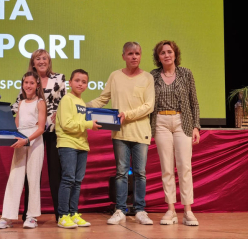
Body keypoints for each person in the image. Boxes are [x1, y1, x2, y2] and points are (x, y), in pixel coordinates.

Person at [87, 42, 155, 225]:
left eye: (137, 53)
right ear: (123, 56)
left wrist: (128, 115)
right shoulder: (115, 76)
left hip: (141, 132)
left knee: (140, 173)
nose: (134, 57)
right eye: (130, 53)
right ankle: (120, 210)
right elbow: (103, 98)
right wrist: (82, 107)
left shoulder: (148, 78)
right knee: (121, 172)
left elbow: (149, 106)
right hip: (120, 133)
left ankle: (140, 210)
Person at [11, 49, 66, 222]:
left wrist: (60, 114)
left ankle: (61, 215)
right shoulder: (30, 80)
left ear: (49, 62)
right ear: (33, 62)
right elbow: (17, 105)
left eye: (45, 58)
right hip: (32, 134)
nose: (42, 61)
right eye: (38, 58)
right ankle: (29, 214)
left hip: (52, 132)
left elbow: (63, 103)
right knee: (31, 174)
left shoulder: (59, 78)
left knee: (55, 173)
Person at [150, 40, 201, 226]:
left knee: (185, 166)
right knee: (167, 167)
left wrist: (196, 126)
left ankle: (188, 210)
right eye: (162, 52)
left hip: (183, 122)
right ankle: (170, 209)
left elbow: (194, 102)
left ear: (175, 54)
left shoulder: (186, 73)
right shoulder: (153, 75)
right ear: (158, 57)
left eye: (169, 51)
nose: (166, 55)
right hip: (161, 122)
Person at [0, 72, 47, 229]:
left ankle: (31, 217)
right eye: (26, 82)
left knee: (33, 178)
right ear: (22, 84)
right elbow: (15, 125)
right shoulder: (21, 103)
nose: (28, 85)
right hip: (20, 139)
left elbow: (42, 127)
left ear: (37, 85)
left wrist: (28, 140)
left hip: (34, 141)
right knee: (15, 177)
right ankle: (7, 217)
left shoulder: (40, 102)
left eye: (31, 83)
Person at [55, 69, 101, 229]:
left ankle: (73, 213)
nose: (80, 84)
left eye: (84, 82)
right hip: (68, 144)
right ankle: (63, 215)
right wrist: (89, 124)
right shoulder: (67, 99)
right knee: (68, 179)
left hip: (82, 145)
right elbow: (67, 125)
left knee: (77, 181)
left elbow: (81, 123)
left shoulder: (82, 103)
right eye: (77, 80)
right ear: (70, 82)